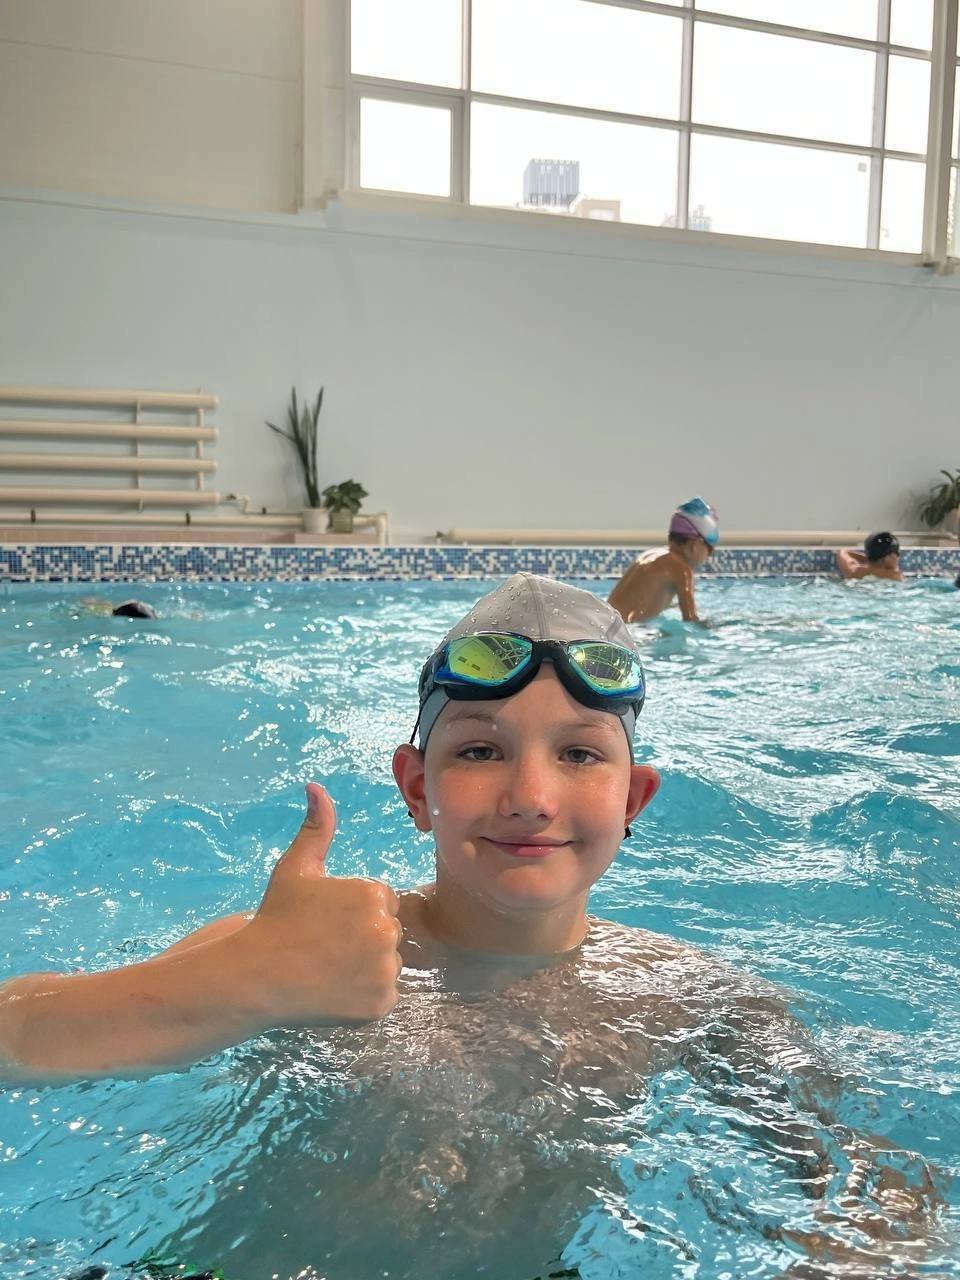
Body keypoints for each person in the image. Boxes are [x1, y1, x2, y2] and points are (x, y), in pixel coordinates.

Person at [0, 575, 944, 1278]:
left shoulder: (687, 999)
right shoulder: (305, 949)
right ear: (417, 789)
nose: (531, 796)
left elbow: (885, 1190)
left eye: (581, 754)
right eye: (482, 750)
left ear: (634, 799)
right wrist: (241, 983)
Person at [608, 497, 719, 624]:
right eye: (709, 549)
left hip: (604, 623)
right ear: (696, 544)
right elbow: (690, 619)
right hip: (627, 630)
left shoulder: (650, 555)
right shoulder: (682, 570)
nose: (709, 556)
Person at [835, 531, 903, 582]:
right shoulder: (896, 576)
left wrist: (870, 559)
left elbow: (842, 552)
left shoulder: (856, 573)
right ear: (888, 558)